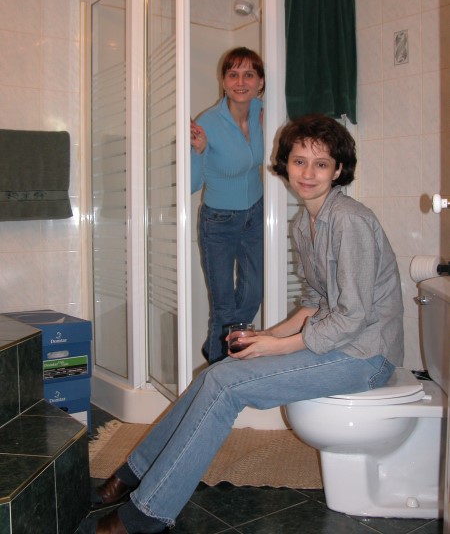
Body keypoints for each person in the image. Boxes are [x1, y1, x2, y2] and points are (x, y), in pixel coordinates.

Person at [78, 114, 404, 534]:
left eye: (321, 164)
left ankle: (147, 514)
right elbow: (314, 303)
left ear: (338, 170)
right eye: (299, 161)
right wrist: (264, 335)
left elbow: (352, 315)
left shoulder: (348, 220)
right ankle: (132, 474)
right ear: (285, 164)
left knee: (226, 385)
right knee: (215, 373)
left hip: (365, 356)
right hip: (340, 344)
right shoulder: (304, 224)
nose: (308, 173)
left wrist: (278, 346)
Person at [190, 47, 265, 364]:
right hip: (218, 221)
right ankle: (220, 365)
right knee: (223, 305)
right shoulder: (207, 122)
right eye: (233, 74)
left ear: (260, 82)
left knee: (253, 294)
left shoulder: (262, 111)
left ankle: (218, 349)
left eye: (249, 74)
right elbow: (191, 184)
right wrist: (198, 151)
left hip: (256, 214)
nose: (241, 82)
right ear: (223, 81)